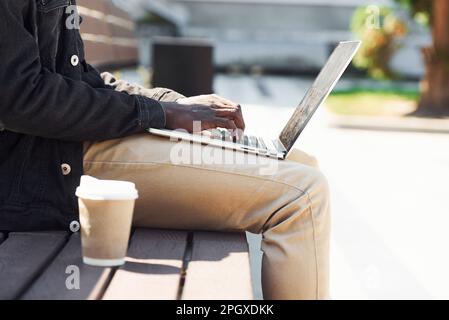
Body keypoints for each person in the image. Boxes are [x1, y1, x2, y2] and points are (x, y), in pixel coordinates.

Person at [0, 0, 330, 299]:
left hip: (77, 143)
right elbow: (19, 97)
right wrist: (164, 115)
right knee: (301, 196)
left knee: (302, 163)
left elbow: (82, 79)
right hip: (48, 167)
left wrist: (172, 104)